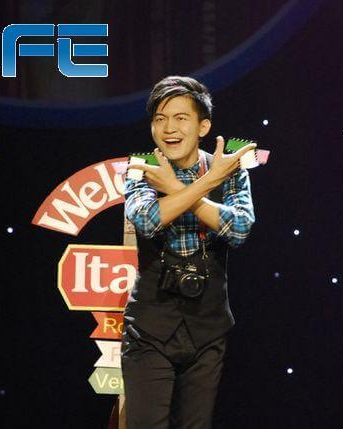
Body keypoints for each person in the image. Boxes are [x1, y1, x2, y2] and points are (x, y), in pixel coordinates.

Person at [121, 75, 256, 428]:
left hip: (208, 329)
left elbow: (240, 229)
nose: (169, 128)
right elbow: (147, 220)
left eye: (181, 118)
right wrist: (208, 184)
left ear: (203, 126)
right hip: (149, 330)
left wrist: (185, 188)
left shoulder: (230, 170)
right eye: (160, 119)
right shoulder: (141, 167)